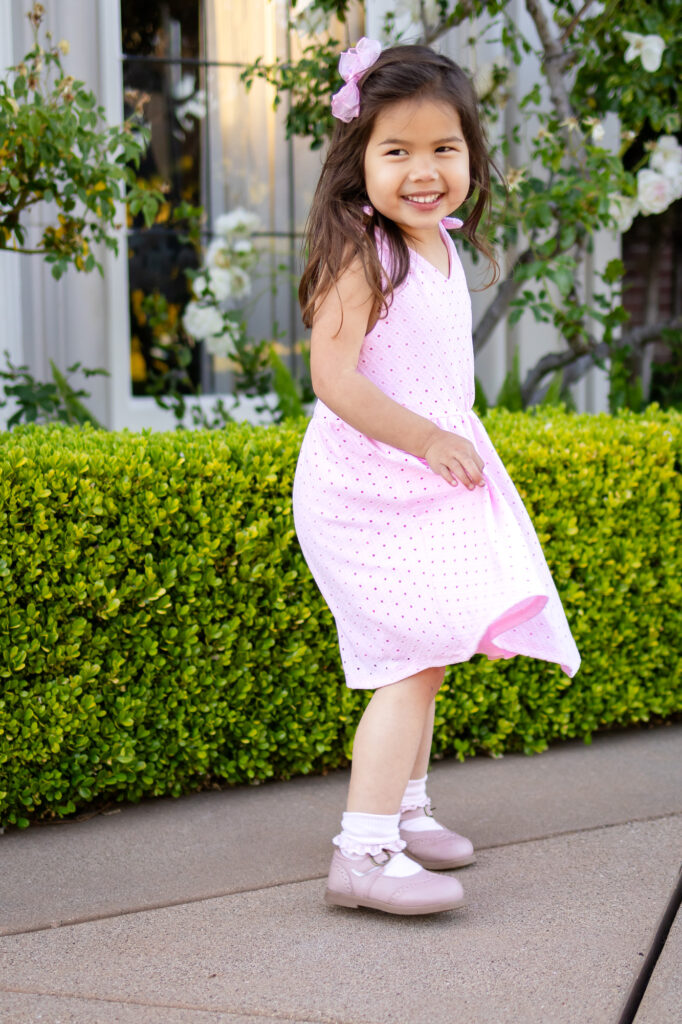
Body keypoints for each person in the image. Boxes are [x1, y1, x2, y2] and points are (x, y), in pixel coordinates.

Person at [292, 38, 580, 916]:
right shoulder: (364, 253)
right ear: (359, 159)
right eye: (397, 150)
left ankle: (406, 811)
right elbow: (334, 379)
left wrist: (442, 443)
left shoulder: (442, 246)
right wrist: (424, 437)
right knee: (411, 662)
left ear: (471, 157)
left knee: (438, 653)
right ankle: (364, 854)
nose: (424, 171)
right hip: (365, 488)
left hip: (422, 481)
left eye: (443, 149)